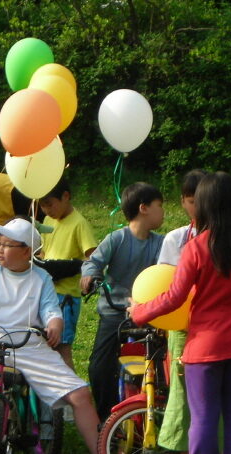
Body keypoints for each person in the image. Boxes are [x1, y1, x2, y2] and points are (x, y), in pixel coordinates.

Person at [0, 218, 100, 454]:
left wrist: (55, 325)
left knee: (81, 395)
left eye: (6, 245)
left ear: (26, 251)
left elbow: (51, 311)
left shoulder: (41, 277)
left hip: (30, 347)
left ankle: (100, 449)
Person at [129, 172, 231, 454]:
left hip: (204, 347)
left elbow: (174, 297)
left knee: (203, 419)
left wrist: (140, 312)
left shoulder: (196, 247)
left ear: (203, 205)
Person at [80, 181, 164, 422]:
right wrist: (90, 276)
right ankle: (106, 417)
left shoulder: (160, 243)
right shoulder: (116, 239)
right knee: (99, 367)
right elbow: (93, 262)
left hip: (147, 313)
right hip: (115, 312)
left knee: (157, 366)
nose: (163, 212)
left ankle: (155, 411)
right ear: (143, 208)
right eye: (159, 206)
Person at [156, 168, 207, 453]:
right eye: (191, 201)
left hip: (211, 326)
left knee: (210, 392)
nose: (196, 207)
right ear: (183, 202)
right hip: (181, 325)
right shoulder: (175, 239)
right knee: (180, 386)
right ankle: (177, 445)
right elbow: (165, 285)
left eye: (201, 200)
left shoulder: (225, 238)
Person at [38, 176, 96, 372]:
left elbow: (93, 257)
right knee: (45, 346)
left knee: (62, 349)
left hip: (66, 297)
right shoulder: (47, 221)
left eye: (49, 204)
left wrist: (88, 276)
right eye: (42, 205)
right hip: (47, 293)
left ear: (65, 196)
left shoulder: (79, 223)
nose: (46, 210)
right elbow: (43, 252)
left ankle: (71, 389)